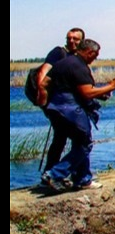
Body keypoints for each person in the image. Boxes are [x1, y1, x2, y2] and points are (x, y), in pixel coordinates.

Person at [40, 38, 115, 190]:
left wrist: (45, 102)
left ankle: (82, 179)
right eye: (95, 55)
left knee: (79, 142)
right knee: (85, 143)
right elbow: (87, 93)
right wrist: (112, 86)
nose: (95, 58)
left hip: (54, 107)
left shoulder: (62, 63)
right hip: (71, 109)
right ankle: (55, 174)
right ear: (89, 52)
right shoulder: (79, 66)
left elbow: (44, 83)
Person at [34, 27, 85, 172]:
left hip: (68, 103)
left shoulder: (79, 56)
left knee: (61, 137)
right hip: (56, 103)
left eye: (75, 39)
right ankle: (56, 173)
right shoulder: (58, 52)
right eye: (69, 38)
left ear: (82, 41)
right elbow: (43, 73)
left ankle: (53, 172)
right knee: (75, 137)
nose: (71, 41)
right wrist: (44, 98)